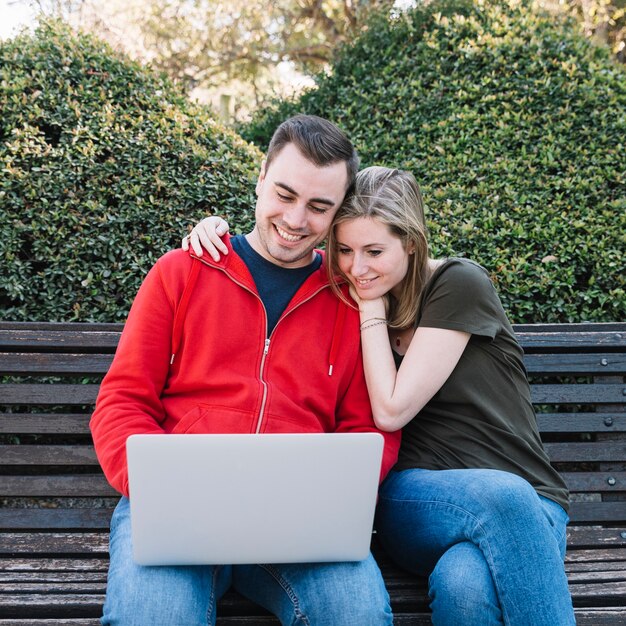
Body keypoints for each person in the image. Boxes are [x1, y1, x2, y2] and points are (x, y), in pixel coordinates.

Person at [187, 166, 576, 625]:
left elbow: (393, 405)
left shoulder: (457, 284)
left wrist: (369, 307)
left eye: (374, 251)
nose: (358, 267)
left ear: (410, 242)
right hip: (414, 499)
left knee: (464, 580)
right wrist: (215, 230)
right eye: (345, 250)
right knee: (502, 500)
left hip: (527, 501)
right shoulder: (349, 294)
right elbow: (281, 243)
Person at [90, 116, 400, 626]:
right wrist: (153, 487)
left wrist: (339, 494)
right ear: (260, 178)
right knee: (154, 617)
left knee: (358, 613)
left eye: (319, 207)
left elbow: (370, 428)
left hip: (301, 523)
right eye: (285, 193)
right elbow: (123, 400)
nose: (296, 219)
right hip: (177, 511)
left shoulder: (352, 302)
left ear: (337, 212)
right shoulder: (182, 271)